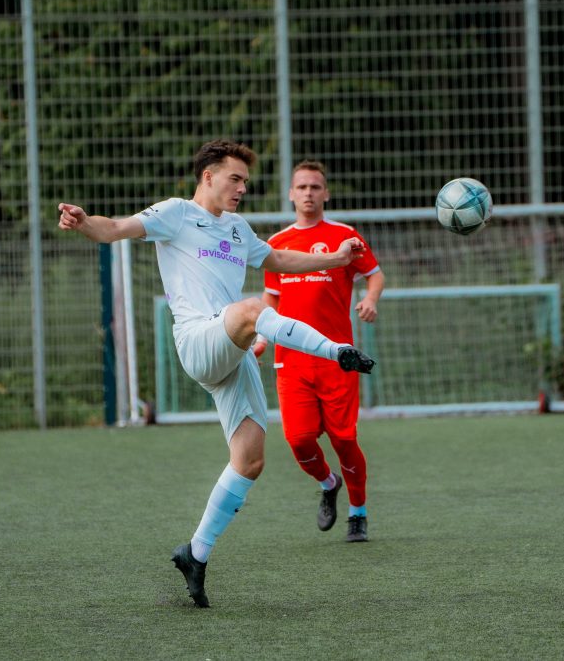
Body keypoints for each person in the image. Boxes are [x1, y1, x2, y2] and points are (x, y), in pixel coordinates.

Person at [57, 139, 376, 608]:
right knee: (251, 309)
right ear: (208, 176)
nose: (242, 188)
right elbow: (115, 229)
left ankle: (196, 553)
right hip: (198, 340)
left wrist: (334, 259)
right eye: (235, 178)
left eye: (245, 180)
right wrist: (85, 223)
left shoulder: (238, 228)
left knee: (249, 459)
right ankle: (337, 351)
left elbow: (278, 260)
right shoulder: (176, 213)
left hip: (232, 350)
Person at [253, 160, 385, 543]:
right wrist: (261, 336)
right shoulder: (277, 243)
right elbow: (271, 297)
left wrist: (370, 299)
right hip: (291, 361)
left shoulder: (345, 236)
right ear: (291, 194)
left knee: (344, 440)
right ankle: (329, 483)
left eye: (315, 187)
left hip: (337, 359)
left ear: (326, 193)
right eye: (302, 187)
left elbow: (374, 274)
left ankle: (358, 513)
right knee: (299, 439)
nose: (308, 193)